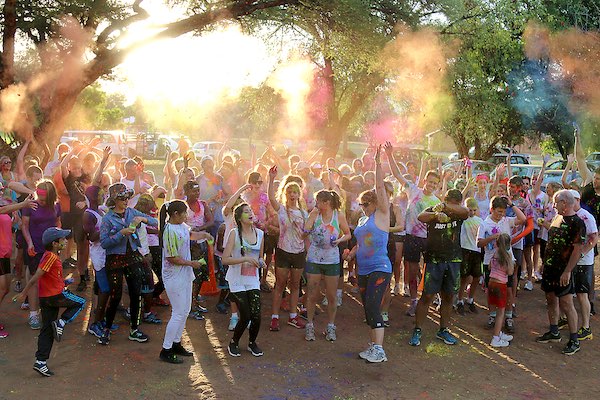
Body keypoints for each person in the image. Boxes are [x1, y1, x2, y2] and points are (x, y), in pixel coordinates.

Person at [15, 227, 86, 377]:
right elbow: (37, 275)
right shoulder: (51, 257)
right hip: (54, 296)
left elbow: (50, 277)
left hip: (46, 298)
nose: (66, 241)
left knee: (47, 329)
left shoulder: (51, 256)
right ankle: (61, 323)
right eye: (63, 239)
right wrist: (24, 292)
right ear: (55, 243)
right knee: (80, 303)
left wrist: (64, 282)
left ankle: (41, 362)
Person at [384, 142, 441, 317]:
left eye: (435, 183)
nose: (431, 185)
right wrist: (390, 155)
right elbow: (397, 174)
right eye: (429, 182)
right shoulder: (413, 190)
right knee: (412, 271)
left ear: (438, 185)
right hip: (412, 237)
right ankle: (414, 301)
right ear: (425, 181)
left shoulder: (437, 201)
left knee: (430, 271)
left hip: (429, 239)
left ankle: (433, 297)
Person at [98, 183, 158, 345]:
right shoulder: (108, 218)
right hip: (115, 259)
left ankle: (134, 329)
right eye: (122, 198)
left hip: (132, 256)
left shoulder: (132, 212)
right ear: (114, 200)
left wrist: (143, 218)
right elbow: (104, 243)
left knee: (135, 292)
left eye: (126, 198)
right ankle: (107, 329)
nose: (126, 201)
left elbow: (154, 222)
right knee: (115, 295)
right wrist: (121, 234)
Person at [408, 189, 469, 347]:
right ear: (445, 199)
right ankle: (417, 329)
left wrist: (448, 208)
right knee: (427, 296)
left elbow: (465, 212)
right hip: (434, 260)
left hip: (453, 259)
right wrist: (436, 213)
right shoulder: (435, 208)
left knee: (448, 296)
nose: (453, 206)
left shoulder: (459, 213)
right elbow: (421, 216)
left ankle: (443, 330)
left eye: (455, 203)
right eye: (450, 202)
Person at [348, 145, 391, 363]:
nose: (363, 207)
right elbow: (361, 243)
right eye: (361, 204)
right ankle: (373, 346)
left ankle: (380, 349)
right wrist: (351, 253)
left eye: (366, 204)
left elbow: (379, 186)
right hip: (363, 269)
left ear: (375, 203)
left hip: (379, 267)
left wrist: (377, 162)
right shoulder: (363, 220)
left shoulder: (382, 215)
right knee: (368, 310)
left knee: (374, 307)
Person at [159, 200, 212, 364]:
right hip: (174, 276)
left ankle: (176, 344)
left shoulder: (181, 226)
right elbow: (171, 258)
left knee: (185, 309)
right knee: (178, 312)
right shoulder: (169, 231)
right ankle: (166, 349)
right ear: (176, 214)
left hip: (184, 274)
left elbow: (189, 235)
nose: (187, 215)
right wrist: (192, 263)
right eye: (184, 213)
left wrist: (204, 235)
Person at [536, 190, 586, 355]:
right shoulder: (558, 217)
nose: (553, 205)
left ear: (565, 203)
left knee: (566, 304)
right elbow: (552, 241)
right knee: (550, 298)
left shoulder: (577, 223)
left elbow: (577, 250)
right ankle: (554, 331)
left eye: (556, 202)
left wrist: (567, 271)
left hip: (563, 271)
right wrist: (544, 263)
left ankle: (574, 340)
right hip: (550, 268)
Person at [303, 190, 351, 342]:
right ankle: (309, 325)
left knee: (331, 296)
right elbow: (305, 232)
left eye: (318, 201)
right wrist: (311, 216)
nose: (316, 204)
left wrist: (339, 241)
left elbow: (348, 233)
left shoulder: (338, 216)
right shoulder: (314, 215)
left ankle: (331, 326)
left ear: (327, 203)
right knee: (312, 294)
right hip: (314, 258)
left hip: (331, 259)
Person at [267, 166, 308, 331]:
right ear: (285, 194)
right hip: (283, 251)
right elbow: (270, 198)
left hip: (298, 253)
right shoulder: (281, 210)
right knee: (280, 285)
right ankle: (275, 318)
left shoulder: (304, 214)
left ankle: (293, 316)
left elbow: (306, 236)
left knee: (296, 285)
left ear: (299, 195)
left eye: (295, 192)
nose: (292, 195)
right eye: (289, 192)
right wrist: (271, 179)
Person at [221, 203, 265, 357]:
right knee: (245, 315)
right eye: (246, 212)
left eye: (251, 210)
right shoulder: (234, 233)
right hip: (237, 279)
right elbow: (225, 260)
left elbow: (260, 257)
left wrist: (261, 262)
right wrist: (244, 258)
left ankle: (252, 343)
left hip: (252, 279)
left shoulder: (260, 234)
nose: (250, 213)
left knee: (257, 315)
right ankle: (234, 342)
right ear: (239, 218)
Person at [477, 196, 526, 329]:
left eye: (503, 211)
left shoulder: (506, 221)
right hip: (490, 262)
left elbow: (522, 219)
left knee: (509, 290)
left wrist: (512, 204)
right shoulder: (484, 224)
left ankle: (508, 316)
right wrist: (492, 237)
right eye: (499, 211)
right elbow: (479, 243)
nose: (501, 214)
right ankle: (492, 315)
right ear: (491, 209)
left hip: (507, 262)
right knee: (491, 290)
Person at [22, 180, 62, 329]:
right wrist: (29, 243)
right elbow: (24, 227)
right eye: (39, 197)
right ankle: (33, 313)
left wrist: (58, 240)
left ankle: (48, 311)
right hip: (35, 247)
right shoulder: (31, 205)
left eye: (44, 199)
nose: (41, 201)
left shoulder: (56, 205)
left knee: (51, 279)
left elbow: (58, 222)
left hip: (50, 249)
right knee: (34, 279)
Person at [0, 193, 37, 338]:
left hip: (4, 252)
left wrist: (14, 219)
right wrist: (23, 205)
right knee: (3, 286)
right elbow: (2, 211)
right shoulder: (3, 207)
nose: (2, 191)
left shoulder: (4, 203)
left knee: (5, 288)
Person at [457, 198, 484, 315]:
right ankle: (459, 300)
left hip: (477, 251)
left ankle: (470, 299)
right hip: (465, 250)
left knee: (476, 277)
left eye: (474, 210)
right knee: (463, 277)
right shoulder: (461, 220)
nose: (471, 212)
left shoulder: (480, 221)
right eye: (469, 210)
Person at [487, 233, 515, 347]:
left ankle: (498, 333)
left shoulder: (495, 254)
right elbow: (510, 272)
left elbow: (489, 267)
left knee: (495, 308)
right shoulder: (507, 256)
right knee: (500, 313)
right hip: (501, 285)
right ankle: (495, 338)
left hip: (491, 283)